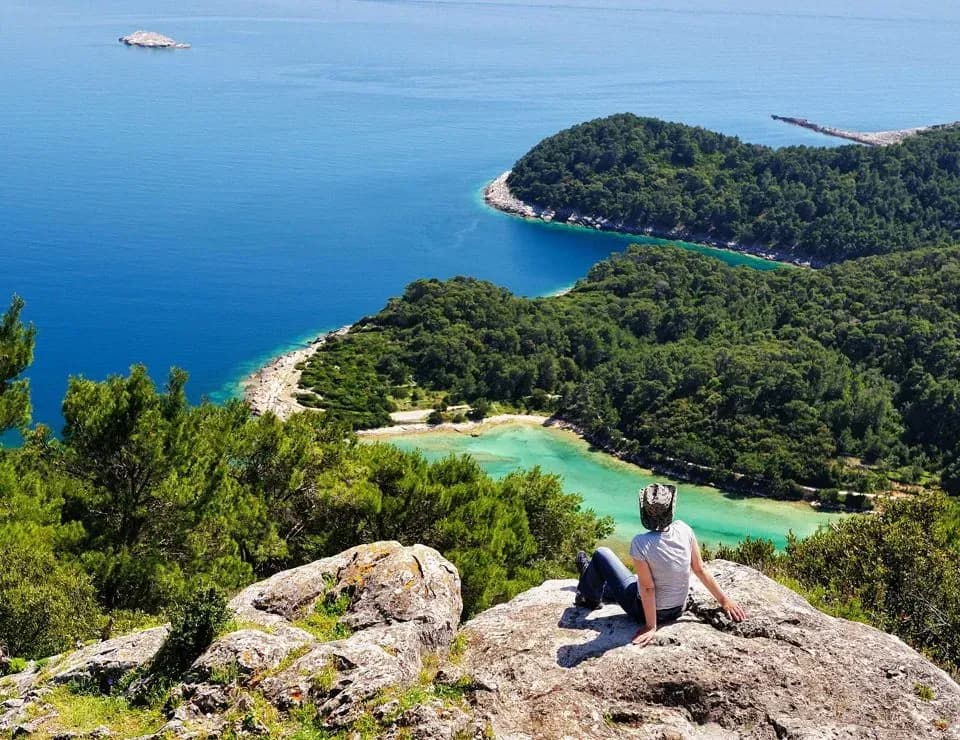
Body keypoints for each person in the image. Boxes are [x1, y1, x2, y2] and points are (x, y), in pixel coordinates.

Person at [574, 482, 746, 646]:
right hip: (678, 608)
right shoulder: (684, 529)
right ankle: (591, 576)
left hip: (645, 611)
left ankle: (589, 597)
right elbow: (700, 569)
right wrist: (724, 601)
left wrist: (651, 626)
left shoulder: (640, 542)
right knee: (625, 583)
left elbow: (648, 588)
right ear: (670, 508)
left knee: (602, 554)